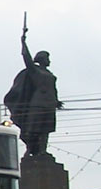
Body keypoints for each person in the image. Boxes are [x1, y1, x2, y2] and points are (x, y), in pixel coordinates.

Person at [4, 23, 63, 156]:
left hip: (49, 105)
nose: (49, 60)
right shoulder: (34, 71)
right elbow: (26, 57)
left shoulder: (50, 74)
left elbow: (53, 89)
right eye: (47, 58)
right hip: (37, 104)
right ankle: (31, 150)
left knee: (46, 129)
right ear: (42, 59)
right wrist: (23, 41)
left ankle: (42, 151)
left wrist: (56, 101)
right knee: (34, 129)